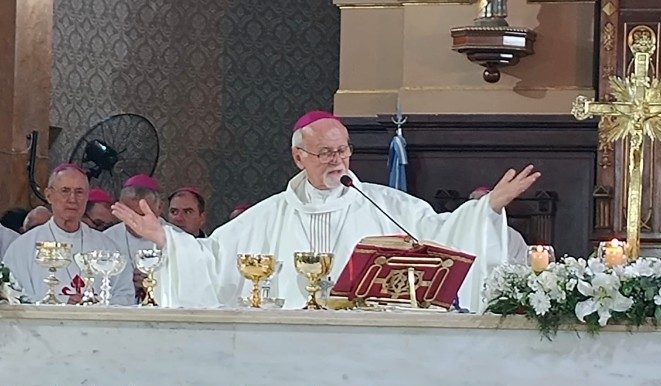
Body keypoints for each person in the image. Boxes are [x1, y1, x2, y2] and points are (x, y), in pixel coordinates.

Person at [112, 111, 540, 310]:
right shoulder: (268, 215)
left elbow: (440, 233)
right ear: (300, 158)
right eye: (325, 152)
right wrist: (165, 237)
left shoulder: (385, 204)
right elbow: (212, 260)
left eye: (343, 150)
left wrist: (487, 208)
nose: (337, 160)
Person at [3, 164, 135, 305]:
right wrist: (60, 305)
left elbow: (125, 294)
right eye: (65, 191)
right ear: (49, 195)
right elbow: (11, 296)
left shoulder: (106, 247)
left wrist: (97, 305)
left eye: (79, 192)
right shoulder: (23, 247)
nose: (72, 199)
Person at [104, 174, 165, 302]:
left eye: (141, 215)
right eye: (129, 214)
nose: (135, 222)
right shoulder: (106, 239)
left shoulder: (173, 240)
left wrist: (155, 282)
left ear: (159, 209)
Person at [469, 186, 529, 264]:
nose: (482, 207)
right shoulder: (460, 229)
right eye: (478, 202)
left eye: (486, 203)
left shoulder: (511, 235)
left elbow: (523, 263)